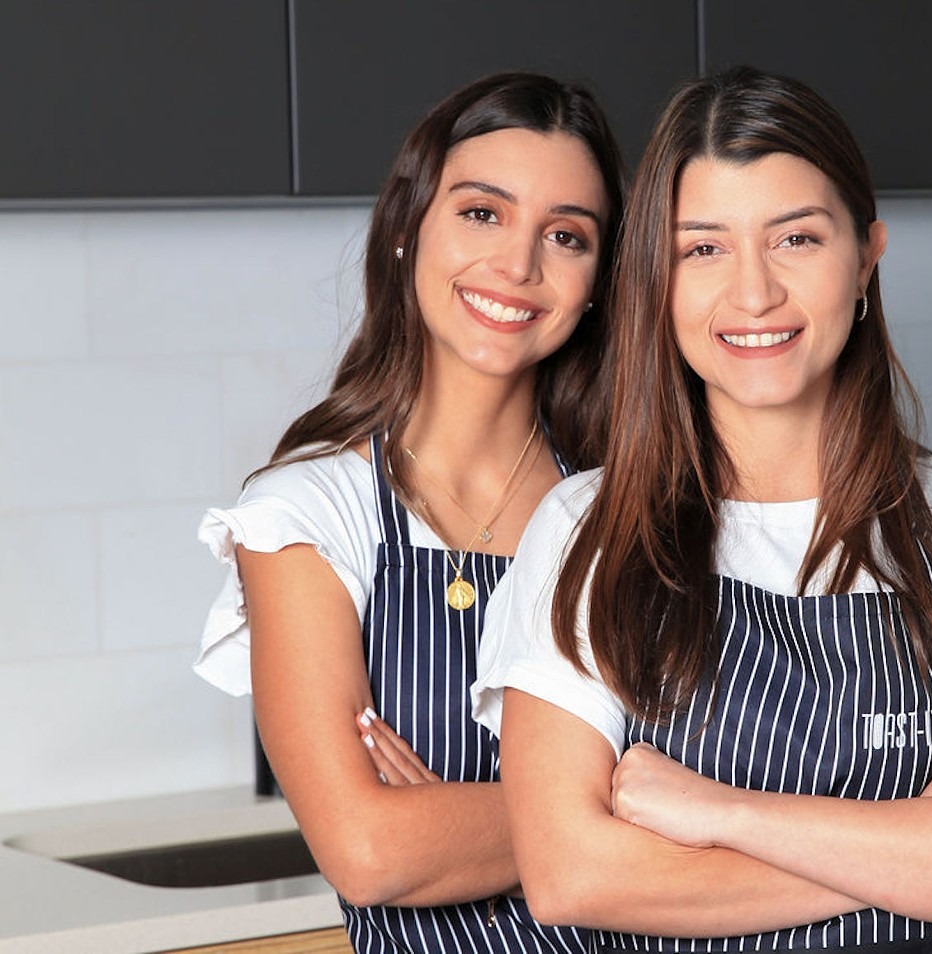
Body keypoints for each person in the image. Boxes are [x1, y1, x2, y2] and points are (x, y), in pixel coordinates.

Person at [471, 66, 932, 952]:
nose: (754, 293)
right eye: (704, 248)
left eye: (797, 239)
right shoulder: (588, 534)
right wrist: (925, 831)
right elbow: (573, 875)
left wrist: (718, 812)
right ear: (660, 281)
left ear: (866, 259)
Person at [193, 72, 625, 953]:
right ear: (407, 228)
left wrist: (457, 824)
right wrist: (643, 799)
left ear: (599, 279)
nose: (518, 265)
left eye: (566, 236)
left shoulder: (630, 502)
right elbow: (370, 853)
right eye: (481, 214)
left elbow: (753, 771)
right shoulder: (309, 513)